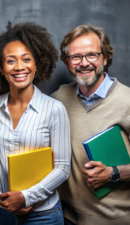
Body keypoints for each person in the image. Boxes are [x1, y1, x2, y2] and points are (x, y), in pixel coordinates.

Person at [0, 22, 71, 225]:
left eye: (26, 59)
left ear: (37, 65)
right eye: (10, 61)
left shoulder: (54, 109)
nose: (19, 67)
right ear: (1, 69)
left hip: (43, 215)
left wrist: (27, 197)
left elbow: (63, 167)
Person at [52, 24, 130, 225]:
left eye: (92, 55)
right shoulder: (59, 98)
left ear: (105, 58)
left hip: (115, 219)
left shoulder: (127, 100)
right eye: (75, 57)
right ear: (67, 62)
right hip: (67, 218)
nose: (84, 63)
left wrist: (113, 174)